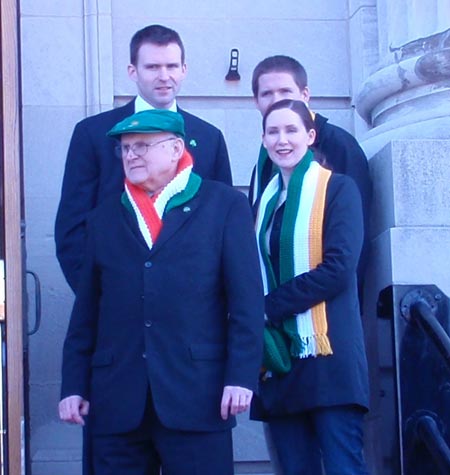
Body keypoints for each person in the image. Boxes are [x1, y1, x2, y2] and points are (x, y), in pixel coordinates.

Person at [58, 109, 264, 475]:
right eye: (124, 149)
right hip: (117, 399)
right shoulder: (104, 216)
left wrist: (241, 376)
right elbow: (87, 310)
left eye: (142, 146)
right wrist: (74, 384)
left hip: (198, 396)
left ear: (175, 149)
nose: (131, 155)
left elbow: (246, 302)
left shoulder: (224, 205)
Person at [55, 24, 232, 293]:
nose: (164, 76)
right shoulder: (92, 134)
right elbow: (72, 228)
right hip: (116, 303)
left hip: (193, 308)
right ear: (132, 71)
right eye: (152, 67)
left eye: (172, 66)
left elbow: (225, 226)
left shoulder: (209, 138)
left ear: (184, 70)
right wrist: (97, 299)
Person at [250, 99, 369, 475]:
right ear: (264, 140)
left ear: (310, 135)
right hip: (280, 362)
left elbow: (338, 269)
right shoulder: (263, 203)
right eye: (273, 131)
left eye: (291, 130)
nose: (282, 140)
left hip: (329, 357)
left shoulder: (339, 189)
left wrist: (268, 307)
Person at [248, 55, 372, 307]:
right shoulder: (264, 161)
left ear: (305, 95)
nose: (277, 100)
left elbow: (351, 246)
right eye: (267, 94)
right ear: (256, 102)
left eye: (286, 91)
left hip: (327, 313)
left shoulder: (340, 146)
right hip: (276, 307)